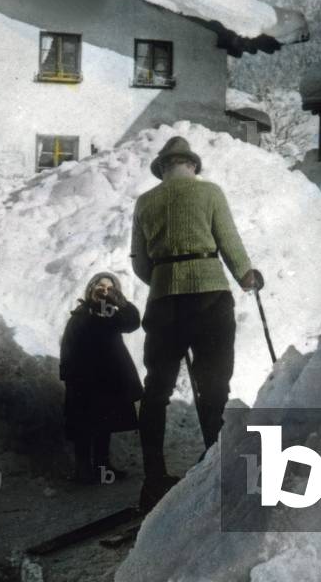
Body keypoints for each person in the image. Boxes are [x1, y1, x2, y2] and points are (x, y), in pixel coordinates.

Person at [130, 135, 264, 512]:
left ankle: (153, 479)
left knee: (156, 389)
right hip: (209, 297)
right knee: (214, 383)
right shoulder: (210, 193)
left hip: (163, 303)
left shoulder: (145, 201)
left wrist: (163, 280)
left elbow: (139, 261)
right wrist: (246, 275)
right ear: (190, 165)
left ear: (163, 168)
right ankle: (216, 469)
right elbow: (228, 240)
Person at [59, 272, 142, 484]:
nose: (104, 293)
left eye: (110, 289)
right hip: (84, 381)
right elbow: (68, 346)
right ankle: (83, 470)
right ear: (90, 291)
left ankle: (103, 468)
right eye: (100, 288)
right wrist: (68, 374)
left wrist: (120, 303)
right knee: (83, 426)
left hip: (108, 381)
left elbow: (132, 323)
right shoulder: (81, 314)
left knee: (105, 424)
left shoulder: (112, 316)